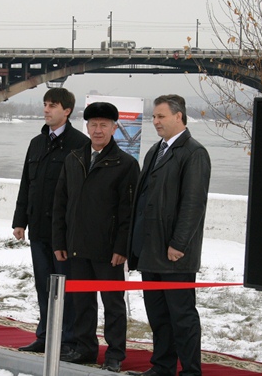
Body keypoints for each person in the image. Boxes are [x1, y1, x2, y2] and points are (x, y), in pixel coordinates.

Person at [53, 101, 139, 372]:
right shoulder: (74, 158)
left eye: (104, 125)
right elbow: (61, 203)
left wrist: (122, 246)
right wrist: (59, 241)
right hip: (77, 245)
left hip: (108, 249)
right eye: (93, 124)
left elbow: (129, 212)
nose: (98, 130)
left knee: (113, 304)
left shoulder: (125, 164)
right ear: (86, 126)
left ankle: (115, 353)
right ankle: (85, 348)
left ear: (115, 128)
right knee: (82, 302)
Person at [128, 94, 211, 376]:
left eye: (160, 116)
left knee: (182, 316)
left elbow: (193, 204)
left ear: (179, 117)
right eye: (153, 117)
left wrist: (178, 243)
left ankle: (190, 371)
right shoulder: (155, 151)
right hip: (149, 250)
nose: (155, 122)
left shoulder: (194, 153)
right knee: (158, 315)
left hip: (174, 253)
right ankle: (162, 367)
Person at [12, 88, 89, 353]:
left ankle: (67, 340)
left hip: (65, 232)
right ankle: (45, 336)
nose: (46, 110)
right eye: (45, 104)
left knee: (65, 287)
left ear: (66, 111)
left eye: (52, 105)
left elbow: (80, 193)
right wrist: (19, 220)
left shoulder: (80, 144)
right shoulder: (37, 143)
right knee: (43, 284)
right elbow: (27, 183)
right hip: (38, 228)